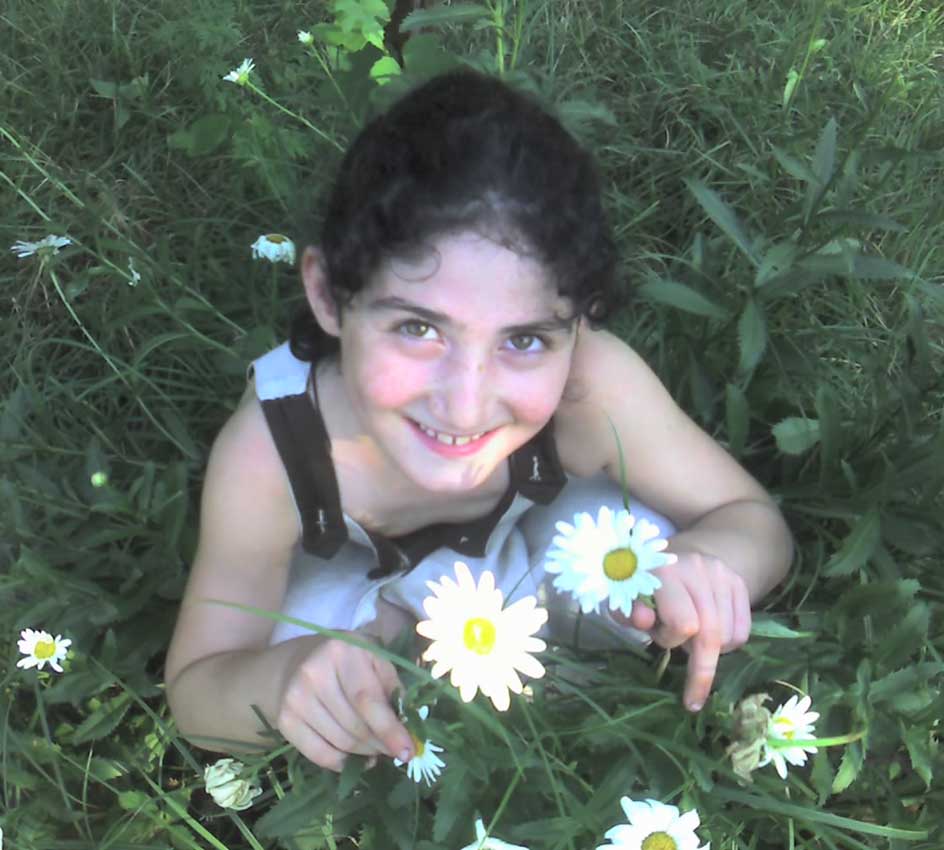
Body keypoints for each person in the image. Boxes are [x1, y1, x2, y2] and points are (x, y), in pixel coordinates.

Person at [164, 69, 793, 773]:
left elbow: (752, 520)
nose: (465, 405)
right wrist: (284, 679)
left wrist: (710, 565)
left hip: (532, 543)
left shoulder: (589, 389)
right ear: (330, 295)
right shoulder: (276, 451)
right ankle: (402, 670)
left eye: (523, 340)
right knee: (303, 645)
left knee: (642, 540)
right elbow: (197, 687)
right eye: (417, 328)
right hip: (354, 595)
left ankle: (535, 665)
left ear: (578, 323)